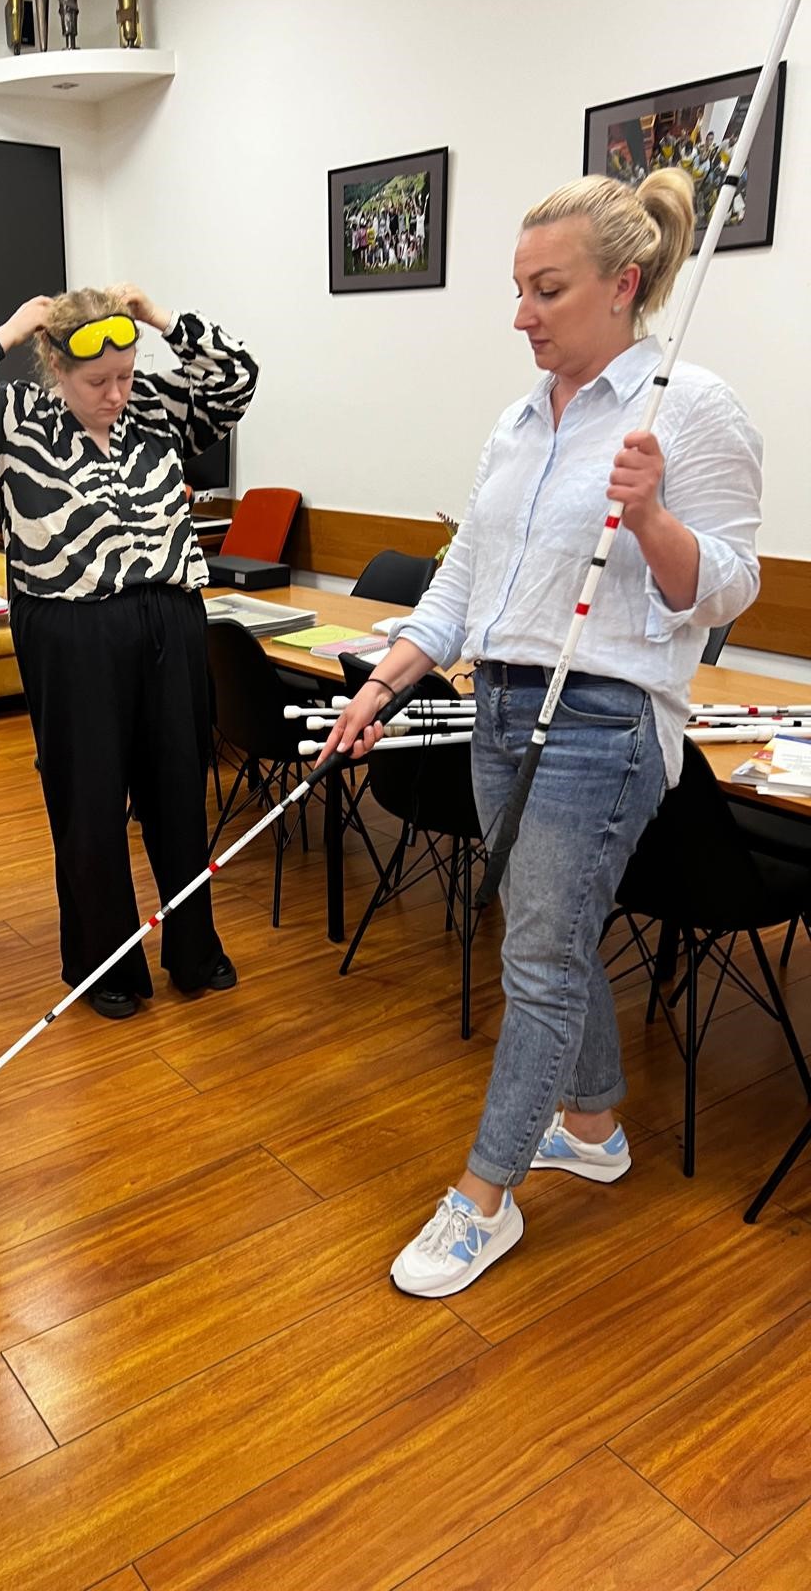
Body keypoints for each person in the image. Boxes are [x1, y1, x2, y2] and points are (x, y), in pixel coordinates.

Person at [323, 170, 761, 1297]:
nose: (521, 315)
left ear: (624, 286)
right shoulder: (520, 421)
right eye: (519, 289)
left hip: (604, 717)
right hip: (502, 704)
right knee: (547, 935)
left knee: (537, 954)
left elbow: (725, 592)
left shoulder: (687, 405)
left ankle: (485, 1196)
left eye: (546, 290)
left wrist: (655, 516)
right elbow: (468, 577)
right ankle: (597, 1123)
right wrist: (390, 678)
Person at [0, 286, 258, 1020]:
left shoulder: (155, 411)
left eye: (127, 375)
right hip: (70, 628)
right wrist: (11, 326)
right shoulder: (10, 422)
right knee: (88, 800)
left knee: (177, 792)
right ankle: (104, 964)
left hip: (169, 613)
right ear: (56, 368)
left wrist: (161, 319)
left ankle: (194, 951)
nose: (116, 393)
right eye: (98, 381)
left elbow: (235, 376)